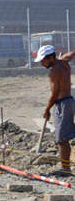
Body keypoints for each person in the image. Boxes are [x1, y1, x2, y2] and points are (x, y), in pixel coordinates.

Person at [35, 44, 75, 175]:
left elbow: (54, 94)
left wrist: (47, 110)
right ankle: (65, 166)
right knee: (65, 134)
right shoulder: (63, 62)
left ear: (51, 58)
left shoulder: (54, 72)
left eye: (43, 60)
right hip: (69, 101)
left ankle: (66, 168)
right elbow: (70, 55)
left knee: (62, 138)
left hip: (62, 104)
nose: (41, 63)